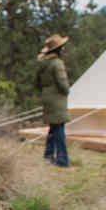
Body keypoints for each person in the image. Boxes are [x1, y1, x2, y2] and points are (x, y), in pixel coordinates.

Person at [36, 34, 70, 167]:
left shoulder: (43, 64)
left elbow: (36, 83)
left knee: (53, 127)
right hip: (57, 98)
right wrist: (66, 91)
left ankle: (48, 155)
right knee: (59, 128)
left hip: (46, 97)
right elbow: (62, 83)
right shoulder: (57, 63)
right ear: (59, 49)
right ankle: (62, 160)